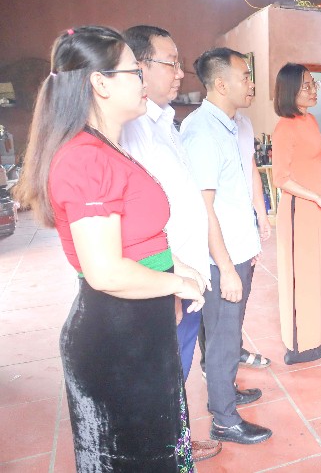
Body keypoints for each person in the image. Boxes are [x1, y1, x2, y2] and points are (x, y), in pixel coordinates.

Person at [14, 26, 205, 470]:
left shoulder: (107, 147)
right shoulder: (85, 157)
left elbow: (136, 237)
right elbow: (104, 271)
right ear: (100, 83)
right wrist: (177, 282)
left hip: (141, 333)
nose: (143, 80)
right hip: (117, 342)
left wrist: (177, 265)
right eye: (135, 71)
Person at [119, 25, 222, 461]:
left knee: (176, 367)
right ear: (139, 67)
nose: (181, 73)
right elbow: (132, 220)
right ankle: (159, 451)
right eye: (171, 63)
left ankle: (173, 439)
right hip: (165, 276)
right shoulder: (131, 129)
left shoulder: (165, 122)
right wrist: (172, 273)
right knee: (160, 372)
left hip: (184, 274)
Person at [181, 47, 272, 445]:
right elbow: (203, 208)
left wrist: (257, 223)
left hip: (236, 245)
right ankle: (224, 419)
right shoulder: (202, 132)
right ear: (221, 84)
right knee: (223, 336)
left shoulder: (234, 124)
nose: (251, 83)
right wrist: (227, 267)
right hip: (221, 257)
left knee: (225, 330)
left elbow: (241, 183)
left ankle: (225, 391)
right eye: (245, 76)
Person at [272, 63, 321, 364]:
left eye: (314, 84)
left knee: (319, 270)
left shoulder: (309, 119)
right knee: (300, 276)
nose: (314, 90)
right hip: (299, 209)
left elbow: (309, 160)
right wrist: (317, 198)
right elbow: (281, 178)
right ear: (290, 91)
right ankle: (299, 346)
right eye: (307, 86)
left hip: (316, 206)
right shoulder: (284, 127)